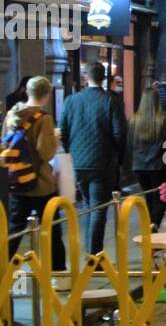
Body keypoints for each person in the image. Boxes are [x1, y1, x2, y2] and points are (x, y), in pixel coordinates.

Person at [59, 60, 127, 254]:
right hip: (102, 161)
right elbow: (119, 133)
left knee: (88, 205)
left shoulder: (71, 101)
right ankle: (93, 253)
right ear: (104, 78)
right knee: (98, 207)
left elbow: (63, 130)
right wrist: (118, 157)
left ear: (85, 78)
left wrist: (72, 151)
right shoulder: (110, 101)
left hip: (79, 161)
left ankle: (90, 249)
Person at [2, 75, 66, 270]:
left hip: (16, 180)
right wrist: (54, 138)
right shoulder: (43, 119)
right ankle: (58, 271)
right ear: (46, 95)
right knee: (52, 227)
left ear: (27, 92)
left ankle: (2, 266)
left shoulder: (11, 116)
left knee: (14, 228)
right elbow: (45, 153)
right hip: (40, 184)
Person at [129, 85, 166, 229]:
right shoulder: (163, 119)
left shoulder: (134, 121)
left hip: (139, 166)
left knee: (149, 197)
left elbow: (130, 143)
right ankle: (154, 224)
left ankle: (150, 224)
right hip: (159, 166)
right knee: (162, 198)